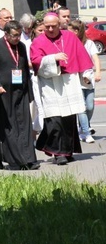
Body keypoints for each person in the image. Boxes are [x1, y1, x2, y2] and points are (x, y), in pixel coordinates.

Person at [30, 13, 93, 165]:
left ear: (60, 25)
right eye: (47, 26)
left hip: (69, 81)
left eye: (53, 26)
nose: (50, 29)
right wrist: (53, 58)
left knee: (69, 119)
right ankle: (58, 153)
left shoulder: (70, 37)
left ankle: (67, 151)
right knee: (55, 120)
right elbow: (36, 61)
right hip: (50, 85)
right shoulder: (38, 41)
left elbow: (82, 56)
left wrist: (85, 75)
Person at [0, 21, 38, 170]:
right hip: (1, 94)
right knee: (8, 128)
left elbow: (24, 70)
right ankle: (13, 160)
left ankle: (28, 159)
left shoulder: (20, 46)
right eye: (14, 35)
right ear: (6, 34)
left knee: (24, 125)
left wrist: (29, 91)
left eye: (19, 35)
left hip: (20, 92)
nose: (17, 38)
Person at [67, 20, 100, 143]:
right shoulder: (69, 43)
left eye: (70, 31)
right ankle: (86, 132)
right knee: (81, 107)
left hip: (88, 77)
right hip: (75, 78)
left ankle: (83, 126)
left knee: (90, 106)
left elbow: (95, 58)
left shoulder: (89, 43)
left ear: (76, 31)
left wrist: (97, 72)